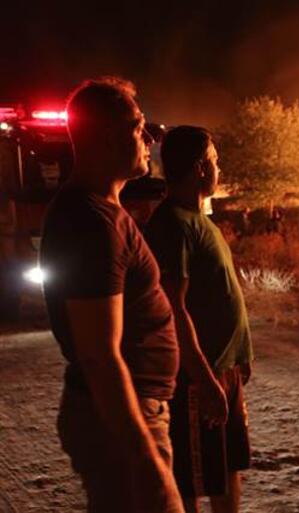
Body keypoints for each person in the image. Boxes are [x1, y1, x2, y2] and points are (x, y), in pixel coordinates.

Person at [39, 78, 184, 512]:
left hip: (128, 414)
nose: (148, 138)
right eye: (138, 126)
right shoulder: (92, 222)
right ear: (106, 136)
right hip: (122, 420)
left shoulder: (101, 211)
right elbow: (100, 355)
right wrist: (145, 459)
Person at [144, 126, 253, 513]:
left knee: (225, 468)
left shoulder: (199, 221)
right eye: (215, 160)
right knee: (191, 476)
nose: (218, 168)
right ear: (200, 168)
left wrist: (240, 358)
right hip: (197, 379)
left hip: (222, 370)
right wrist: (204, 379)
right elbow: (173, 308)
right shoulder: (173, 225)